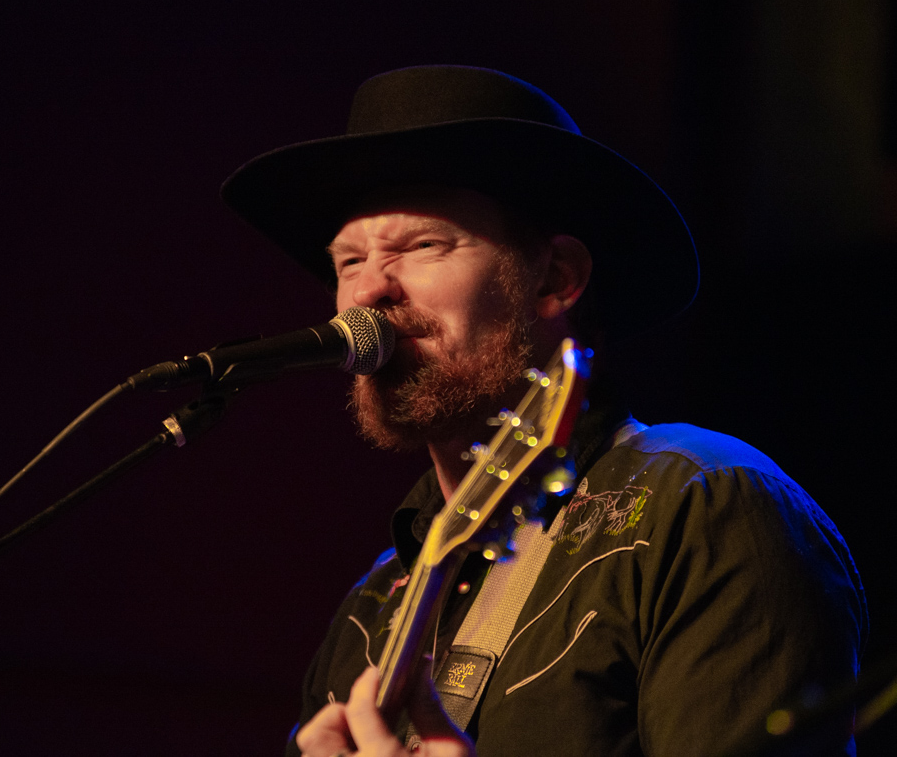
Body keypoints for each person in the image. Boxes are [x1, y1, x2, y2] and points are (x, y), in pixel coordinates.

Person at [221, 66, 868, 756]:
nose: (368, 291)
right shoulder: (372, 608)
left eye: (421, 245)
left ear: (555, 280)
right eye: (348, 260)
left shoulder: (705, 507)